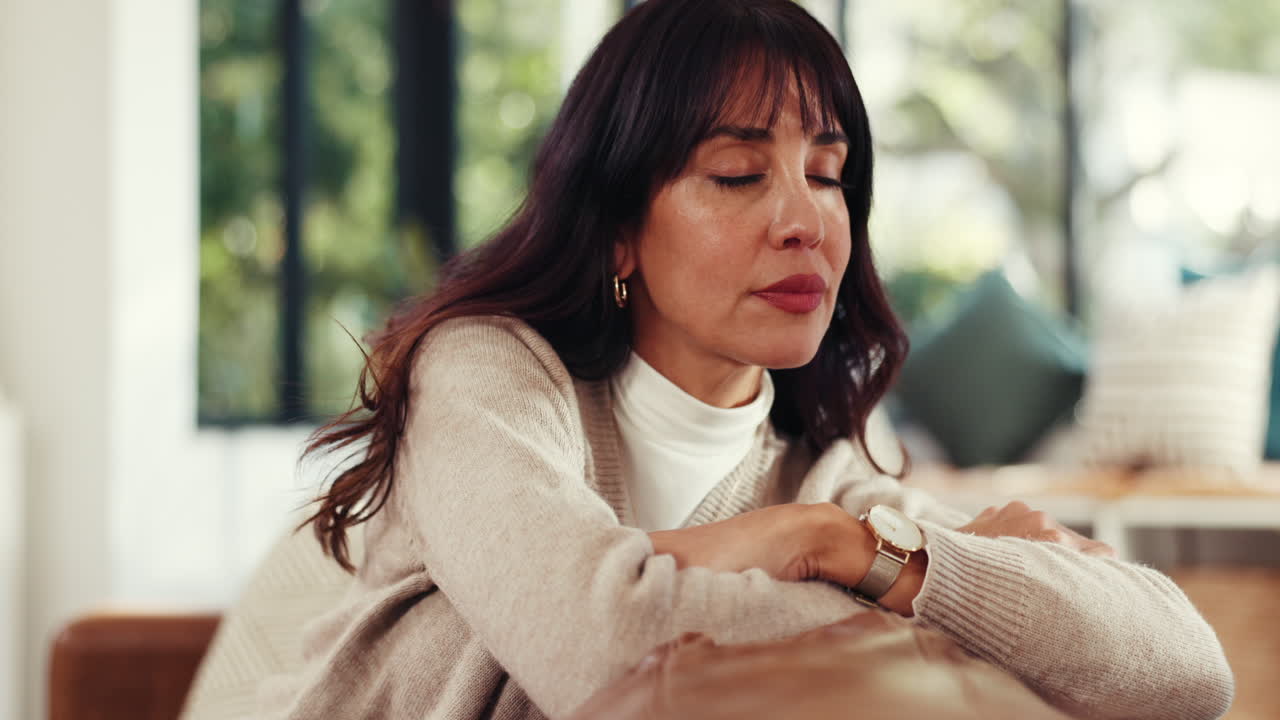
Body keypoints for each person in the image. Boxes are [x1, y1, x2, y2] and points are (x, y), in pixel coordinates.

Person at [259, 1, 1233, 718]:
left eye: (828, 173)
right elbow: (602, 648)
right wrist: (897, 597)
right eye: (735, 175)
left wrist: (844, 548)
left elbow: (1187, 671)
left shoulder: (825, 481)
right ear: (614, 232)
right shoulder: (486, 375)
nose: (805, 220)